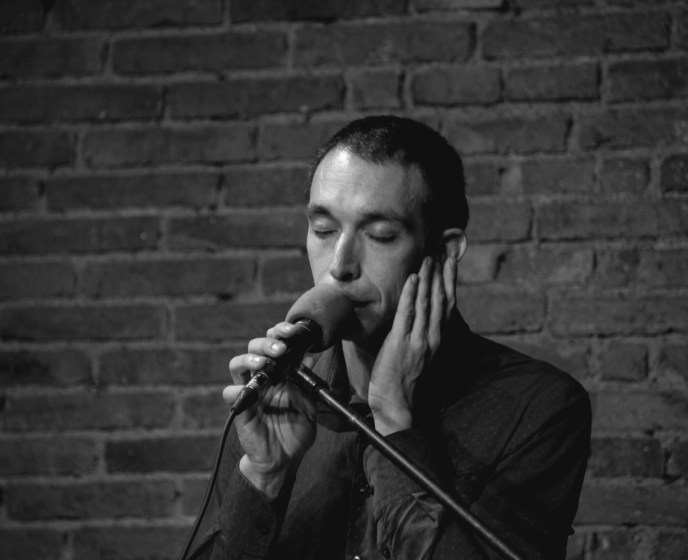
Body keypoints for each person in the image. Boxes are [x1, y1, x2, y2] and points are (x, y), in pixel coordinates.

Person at [186, 116, 591, 559]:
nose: (340, 265)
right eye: (323, 230)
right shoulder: (272, 400)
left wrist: (394, 420)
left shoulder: (539, 407)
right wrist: (263, 477)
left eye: (379, 235)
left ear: (443, 251)